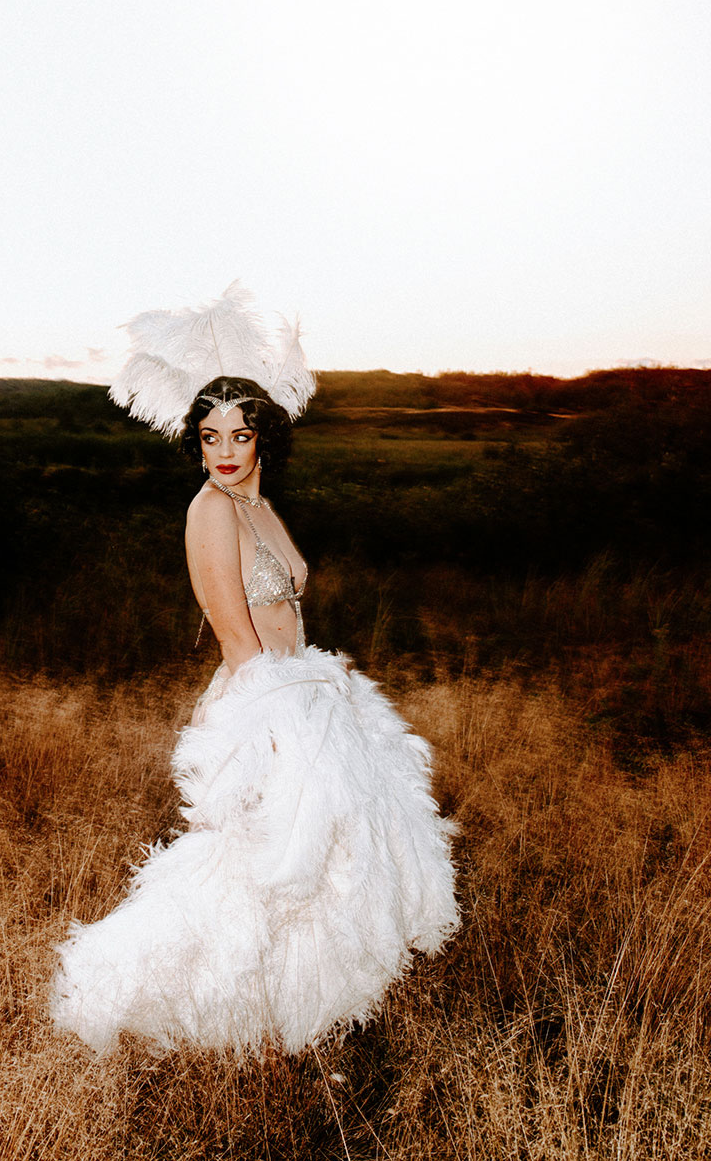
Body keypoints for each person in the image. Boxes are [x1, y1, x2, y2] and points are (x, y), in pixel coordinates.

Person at [49, 286, 459, 1056]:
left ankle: (289, 1013)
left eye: (240, 433)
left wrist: (315, 681)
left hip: (300, 685)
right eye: (210, 436)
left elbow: (286, 612)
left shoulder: (258, 505)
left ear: (264, 437)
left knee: (327, 864)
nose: (226, 450)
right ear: (196, 444)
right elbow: (237, 637)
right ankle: (170, 1000)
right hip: (259, 700)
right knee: (257, 864)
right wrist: (280, 720)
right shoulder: (210, 509)